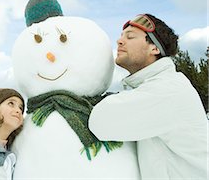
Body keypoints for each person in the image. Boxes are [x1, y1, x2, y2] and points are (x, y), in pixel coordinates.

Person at [89, 14, 208, 179]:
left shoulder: (168, 89)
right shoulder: (158, 87)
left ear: (154, 48)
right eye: (121, 36)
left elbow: (100, 122)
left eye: (130, 37)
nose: (120, 41)